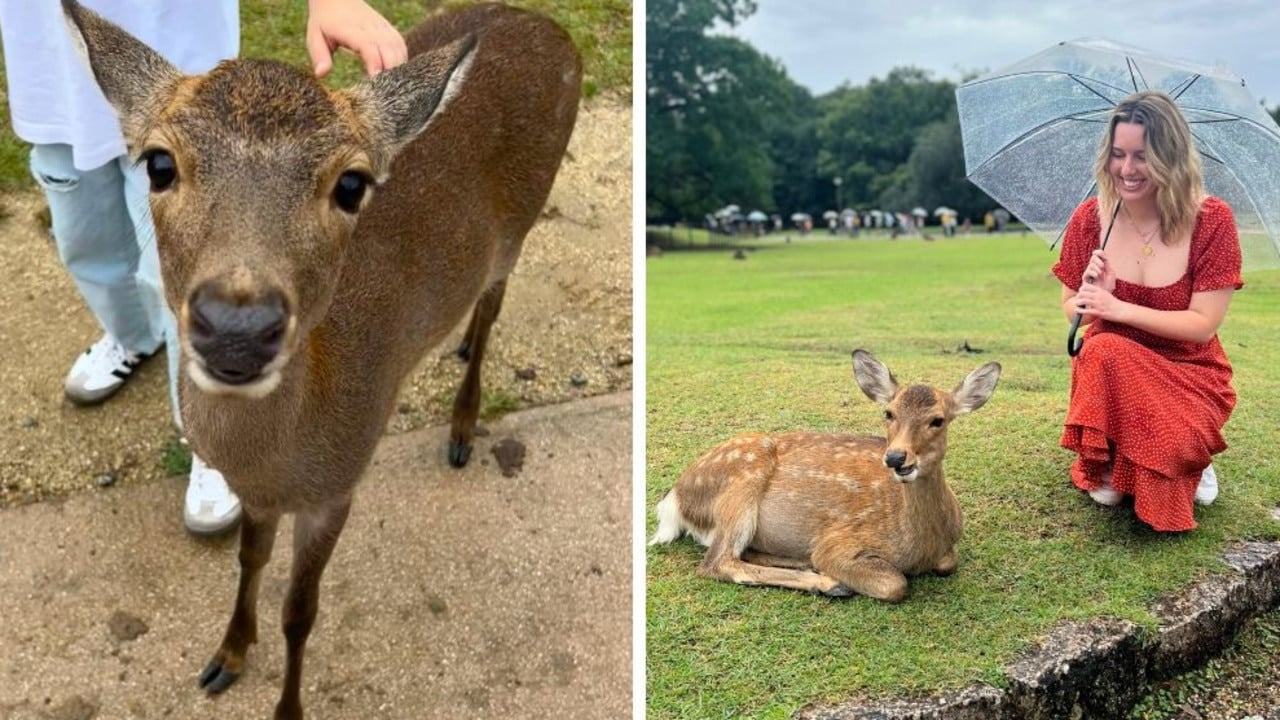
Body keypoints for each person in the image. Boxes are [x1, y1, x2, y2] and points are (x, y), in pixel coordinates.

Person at [0, 0, 406, 534]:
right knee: (86, 243)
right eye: (161, 169)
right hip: (50, 75)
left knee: (183, 285)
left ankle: (216, 445)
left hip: (179, 50)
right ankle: (130, 336)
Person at [1051, 90, 1243, 532]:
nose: (1127, 169)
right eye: (1118, 154)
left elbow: (1202, 326)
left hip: (1188, 369)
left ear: (1171, 157)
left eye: (1142, 155)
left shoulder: (1212, 221)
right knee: (1103, 349)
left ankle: (1190, 454)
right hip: (1112, 372)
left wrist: (1119, 306)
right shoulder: (1090, 220)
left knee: (1171, 446)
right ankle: (1124, 456)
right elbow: (1071, 310)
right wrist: (1088, 297)